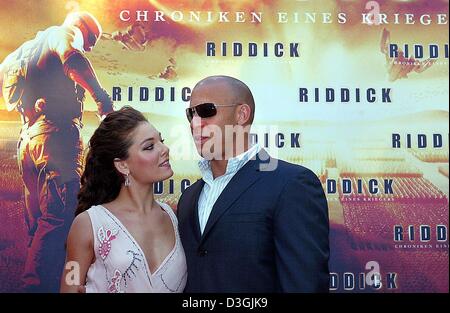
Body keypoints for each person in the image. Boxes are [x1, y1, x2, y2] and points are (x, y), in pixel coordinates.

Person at [177, 75, 330, 292]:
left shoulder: (291, 184)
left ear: (242, 114)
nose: (195, 123)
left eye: (206, 111)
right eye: (190, 114)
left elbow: (304, 284)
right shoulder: (189, 197)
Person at [0, 12, 114, 292]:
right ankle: (36, 286)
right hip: (56, 137)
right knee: (60, 216)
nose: (87, 47)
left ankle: (40, 282)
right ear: (82, 28)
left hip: (28, 141)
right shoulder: (62, 33)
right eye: (90, 41)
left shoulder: (19, 53)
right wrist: (102, 99)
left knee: (38, 223)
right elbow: (74, 59)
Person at [60, 106, 187, 293]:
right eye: (149, 146)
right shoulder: (88, 224)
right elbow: (69, 287)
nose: (165, 149)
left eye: (162, 141)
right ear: (122, 165)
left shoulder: (174, 217)